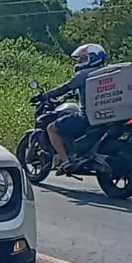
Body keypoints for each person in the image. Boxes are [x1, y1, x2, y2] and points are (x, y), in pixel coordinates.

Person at [40, 43, 109, 171]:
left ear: (93, 59)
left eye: (83, 58)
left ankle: (65, 160)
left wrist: (45, 95)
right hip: (105, 116)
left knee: (52, 128)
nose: (79, 62)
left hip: (87, 117)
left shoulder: (84, 75)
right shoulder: (107, 73)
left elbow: (64, 88)